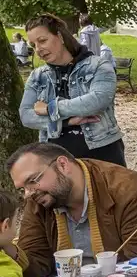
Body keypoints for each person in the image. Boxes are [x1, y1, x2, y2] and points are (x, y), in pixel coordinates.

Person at [6, 143, 137, 277]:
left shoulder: (132, 191)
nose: (28, 194)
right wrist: (8, 247)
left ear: (62, 165)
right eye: (23, 188)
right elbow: (34, 268)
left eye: (33, 180)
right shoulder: (41, 200)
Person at [19, 13, 127, 167]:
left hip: (102, 153)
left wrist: (50, 108)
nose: (38, 49)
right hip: (56, 160)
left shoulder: (98, 65)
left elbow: (98, 101)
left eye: (42, 40)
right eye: (33, 45)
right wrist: (66, 122)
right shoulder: (37, 77)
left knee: (109, 192)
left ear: (60, 36)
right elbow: (26, 116)